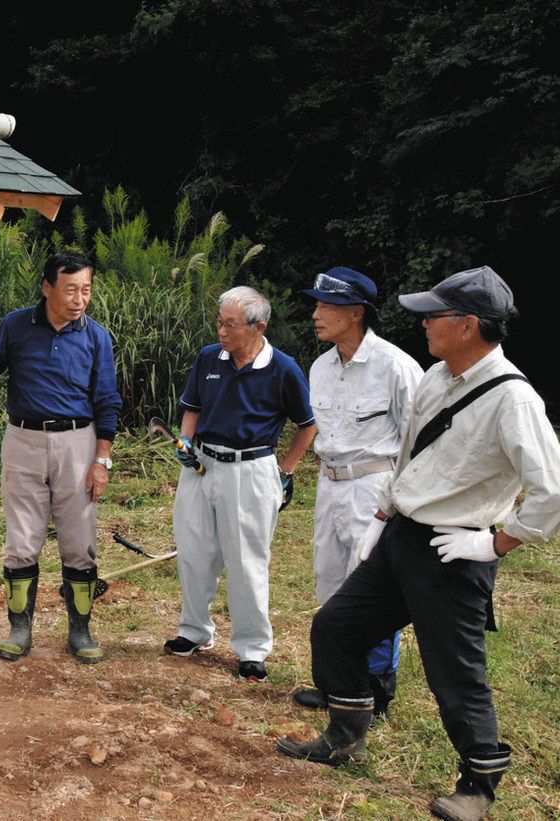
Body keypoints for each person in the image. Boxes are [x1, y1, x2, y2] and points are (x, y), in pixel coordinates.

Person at [277, 266, 560, 821]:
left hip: (455, 550)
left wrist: (497, 543)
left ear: (469, 325)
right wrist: (383, 514)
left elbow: (550, 490)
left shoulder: (513, 400)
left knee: (454, 671)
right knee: (335, 627)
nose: (423, 323)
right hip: (402, 534)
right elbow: (410, 454)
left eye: (434, 314)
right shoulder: (436, 376)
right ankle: (345, 734)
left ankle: (478, 782)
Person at [0, 250, 121, 664]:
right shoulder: (17, 326)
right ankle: (19, 630)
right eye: (71, 289)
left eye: (86, 290)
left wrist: (101, 460)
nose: (80, 299)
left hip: (79, 443)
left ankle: (81, 630)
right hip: (23, 441)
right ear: (47, 287)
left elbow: (108, 401)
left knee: (79, 540)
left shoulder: (96, 336)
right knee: (22, 538)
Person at [165, 286, 317, 681]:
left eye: (230, 324)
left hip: (250, 470)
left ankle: (251, 648)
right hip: (200, 465)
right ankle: (194, 632)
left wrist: (286, 470)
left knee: (246, 561)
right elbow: (192, 408)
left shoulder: (282, 368)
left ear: (258, 326)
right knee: (194, 551)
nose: (222, 330)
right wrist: (185, 440)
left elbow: (307, 426)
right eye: (219, 322)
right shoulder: (208, 359)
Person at [292, 267, 423, 717]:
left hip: (375, 486)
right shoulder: (321, 367)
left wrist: (400, 505)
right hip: (330, 485)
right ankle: (336, 686)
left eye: (325, 306)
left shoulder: (397, 367)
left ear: (354, 313)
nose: (315, 314)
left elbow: (418, 442)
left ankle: (376, 690)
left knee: (372, 586)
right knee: (331, 583)